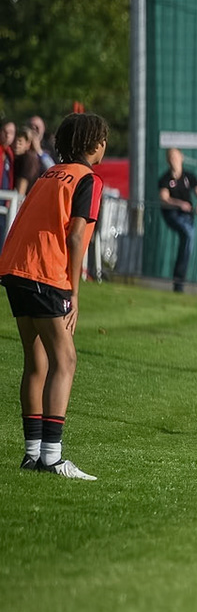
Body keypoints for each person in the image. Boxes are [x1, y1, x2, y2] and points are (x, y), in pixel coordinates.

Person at [0, 111, 109, 479]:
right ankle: (52, 456)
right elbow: (76, 236)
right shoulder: (88, 180)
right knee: (66, 361)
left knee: (36, 361)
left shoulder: (49, 174)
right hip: (47, 272)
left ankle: (32, 455)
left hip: (15, 268)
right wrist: (74, 292)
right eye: (103, 138)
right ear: (94, 145)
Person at [155, 147, 197, 293]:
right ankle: (179, 279)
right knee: (189, 234)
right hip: (173, 215)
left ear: (182, 158)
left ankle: (179, 281)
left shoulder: (189, 177)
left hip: (187, 217)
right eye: (171, 158)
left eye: (176, 157)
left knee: (187, 243)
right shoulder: (165, 179)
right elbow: (164, 198)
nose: (174, 161)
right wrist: (179, 204)